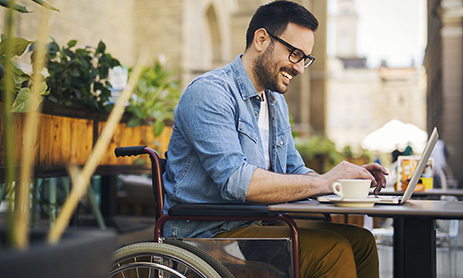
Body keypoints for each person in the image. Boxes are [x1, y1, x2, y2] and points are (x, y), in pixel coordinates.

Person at [163, 1, 388, 277]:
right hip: (208, 236)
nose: (300, 68)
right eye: (294, 54)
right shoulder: (210, 93)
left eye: (306, 58)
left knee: (362, 241)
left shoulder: (274, 102)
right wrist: (324, 182)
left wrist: (342, 182)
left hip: (259, 226)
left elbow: (294, 171)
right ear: (261, 39)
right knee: (333, 251)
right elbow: (237, 182)